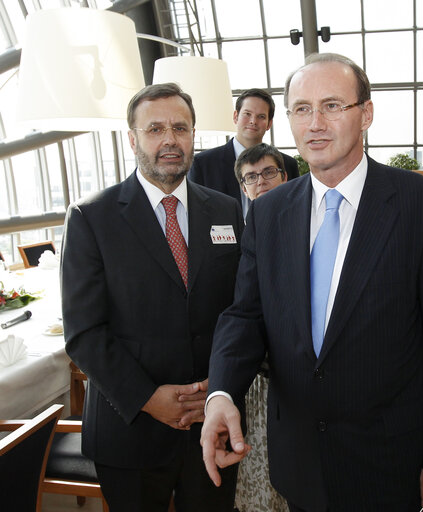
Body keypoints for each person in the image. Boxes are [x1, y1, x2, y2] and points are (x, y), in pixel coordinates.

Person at [201, 52, 423, 512]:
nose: (315, 123)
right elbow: (245, 314)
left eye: (332, 105)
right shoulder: (269, 213)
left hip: (387, 461)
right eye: (301, 109)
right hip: (298, 460)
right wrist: (221, 393)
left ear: (366, 114)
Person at [60, 83, 243, 512]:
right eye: (155, 129)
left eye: (181, 128)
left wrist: (221, 390)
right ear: (133, 138)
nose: (170, 140)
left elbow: (240, 311)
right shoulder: (91, 218)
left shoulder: (225, 211)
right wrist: (149, 399)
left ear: (194, 134)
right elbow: (84, 332)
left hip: (210, 422)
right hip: (129, 429)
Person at [231, 143, 290, 512]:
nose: (261, 182)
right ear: (243, 187)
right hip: (257, 372)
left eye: (268, 172)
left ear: (284, 176)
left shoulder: (306, 221)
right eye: (251, 177)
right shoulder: (241, 230)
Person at [189, 88, 300, 217]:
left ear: (269, 123)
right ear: (236, 117)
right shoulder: (203, 164)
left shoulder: (288, 164)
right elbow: (196, 213)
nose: (253, 121)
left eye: (261, 116)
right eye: (247, 114)